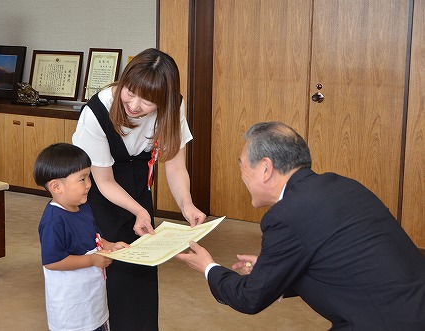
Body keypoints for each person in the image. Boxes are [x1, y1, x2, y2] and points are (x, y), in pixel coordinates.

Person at [177, 122, 425, 330]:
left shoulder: (286, 216)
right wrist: (271, 271)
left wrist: (208, 268)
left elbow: (250, 299)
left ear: (265, 168)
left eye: (241, 164)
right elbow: (344, 262)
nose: (241, 173)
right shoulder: (343, 185)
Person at [72, 48, 206, 330]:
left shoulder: (173, 105)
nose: (134, 105)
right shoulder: (97, 112)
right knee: (109, 266)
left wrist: (186, 205)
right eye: (130, 92)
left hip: (138, 184)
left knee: (141, 266)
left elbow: (174, 165)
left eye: (147, 101)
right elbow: (104, 181)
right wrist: (139, 211)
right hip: (98, 188)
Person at [34, 143, 129, 331]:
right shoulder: (54, 222)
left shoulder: (83, 207)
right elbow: (53, 262)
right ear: (56, 186)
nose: (89, 185)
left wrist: (111, 246)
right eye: (82, 179)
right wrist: (93, 260)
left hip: (93, 302)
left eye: (89, 177)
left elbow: (93, 238)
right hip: (71, 312)